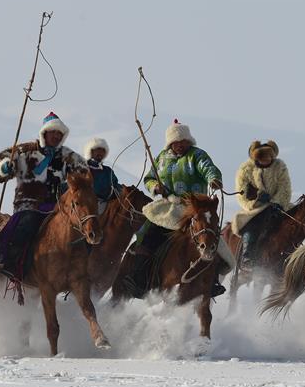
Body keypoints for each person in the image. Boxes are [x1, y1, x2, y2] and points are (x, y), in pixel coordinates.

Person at [120, 119, 226, 296]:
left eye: (183, 141)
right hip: (168, 208)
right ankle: (138, 279)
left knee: (211, 238)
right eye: (176, 142)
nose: (180, 145)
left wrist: (213, 179)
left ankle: (212, 280)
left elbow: (209, 169)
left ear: (188, 141)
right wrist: (156, 186)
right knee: (148, 236)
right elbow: (149, 178)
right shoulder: (161, 158)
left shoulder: (196, 155)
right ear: (170, 143)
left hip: (195, 208)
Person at [0, 112, 87, 280]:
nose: (56, 136)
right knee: (25, 226)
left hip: (58, 207)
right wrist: (5, 167)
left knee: (83, 232)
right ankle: (9, 264)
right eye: (53, 132)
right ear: (44, 133)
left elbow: (81, 175)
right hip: (30, 205)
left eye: (59, 133)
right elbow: (0, 163)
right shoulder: (26, 151)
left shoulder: (66, 157)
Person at [232, 140, 292, 271]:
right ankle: (247, 256)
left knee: (293, 222)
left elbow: (284, 187)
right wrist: (254, 201)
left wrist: (278, 203)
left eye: (268, 157)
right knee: (252, 225)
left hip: (277, 205)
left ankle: (292, 255)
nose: (266, 160)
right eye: (262, 158)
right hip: (255, 208)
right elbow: (241, 192)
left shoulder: (280, 167)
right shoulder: (245, 169)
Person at [83, 137, 122, 204]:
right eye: (98, 149)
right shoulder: (82, 168)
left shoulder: (108, 171)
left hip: (105, 205)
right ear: (91, 151)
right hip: (85, 204)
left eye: (103, 150)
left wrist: (125, 190)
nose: (100, 152)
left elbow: (116, 186)